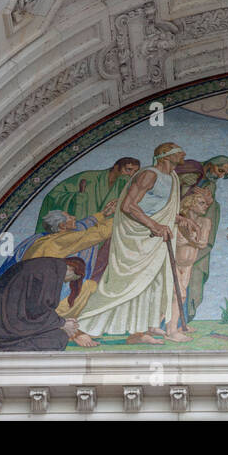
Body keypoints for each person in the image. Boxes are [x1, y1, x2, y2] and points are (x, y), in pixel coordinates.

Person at [76, 143, 193, 344]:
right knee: (124, 283)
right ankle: (82, 325)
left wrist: (180, 218)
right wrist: (154, 225)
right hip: (135, 235)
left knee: (151, 283)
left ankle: (138, 333)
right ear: (164, 156)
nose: (182, 153)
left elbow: (157, 208)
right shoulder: (149, 175)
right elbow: (128, 206)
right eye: (177, 151)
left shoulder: (173, 177)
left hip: (154, 236)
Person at [0, 256, 96, 351]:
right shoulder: (50, 272)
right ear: (71, 269)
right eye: (70, 279)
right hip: (5, 330)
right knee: (58, 338)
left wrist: (65, 326)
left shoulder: (44, 265)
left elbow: (34, 309)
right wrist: (63, 324)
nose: (65, 282)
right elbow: (37, 310)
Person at [173, 155, 228, 318]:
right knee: (172, 287)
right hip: (175, 234)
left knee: (185, 287)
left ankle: (182, 319)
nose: (220, 176)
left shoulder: (210, 187)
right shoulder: (190, 169)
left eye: (224, 175)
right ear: (210, 164)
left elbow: (208, 211)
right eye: (220, 170)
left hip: (190, 247)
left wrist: (209, 202)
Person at [34, 157, 138, 232]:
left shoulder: (124, 187)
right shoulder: (88, 178)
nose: (131, 175)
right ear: (116, 167)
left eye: (135, 171)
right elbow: (52, 196)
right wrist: (78, 197)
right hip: (75, 229)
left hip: (98, 231)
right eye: (128, 169)